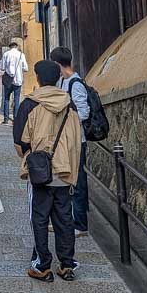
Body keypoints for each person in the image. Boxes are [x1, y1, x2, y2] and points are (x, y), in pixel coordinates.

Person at [13, 59, 81, 282]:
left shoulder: (30, 104)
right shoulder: (69, 105)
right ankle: (67, 264)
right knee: (64, 218)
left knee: (39, 218)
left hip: (40, 172)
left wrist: (28, 155)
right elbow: (77, 140)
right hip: (64, 171)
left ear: (39, 79)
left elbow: (20, 141)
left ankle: (43, 265)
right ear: (58, 78)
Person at [50, 45, 91, 235]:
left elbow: (83, 112)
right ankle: (66, 219)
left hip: (76, 140)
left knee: (77, 181)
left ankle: (80, 223)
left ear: (58, 64)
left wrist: (65, 118)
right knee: (64, 180)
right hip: (65, 140)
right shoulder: (62, 82)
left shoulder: (76, 84)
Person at [1, 39, 29, 124]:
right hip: (18, 79)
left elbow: (2, 67)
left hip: (8, 80)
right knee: (16, 99)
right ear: (16, 46)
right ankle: (15, 119)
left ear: (10, 47)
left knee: (6, 99)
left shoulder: (6, 54)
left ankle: (6, 119)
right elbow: (26, 68)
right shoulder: (21, 55)